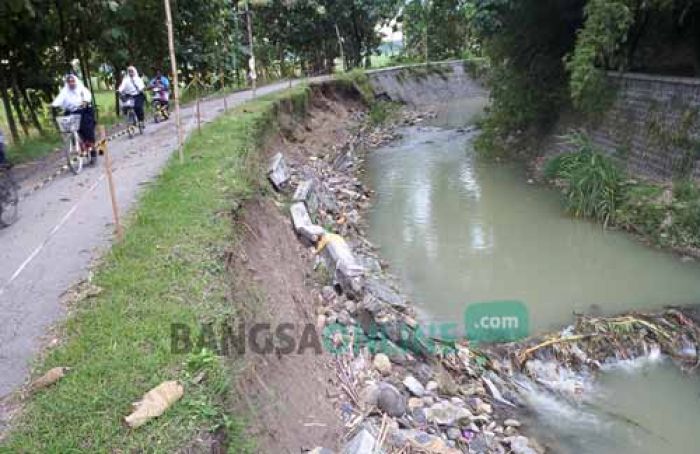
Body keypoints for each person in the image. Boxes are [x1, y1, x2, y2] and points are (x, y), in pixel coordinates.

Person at [51, 74, 96, 161]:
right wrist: (53, 105)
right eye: (69, 82)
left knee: (87, 130)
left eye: (72, 81)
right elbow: (59, 100)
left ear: (75, 81)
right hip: (71, 112)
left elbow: (87, 96)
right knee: (67, 127)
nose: (71, 83)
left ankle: (93, 152)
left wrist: (85, 102)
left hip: (83, 110)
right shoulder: (65, 91)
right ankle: (75, 143)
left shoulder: (81, 89)